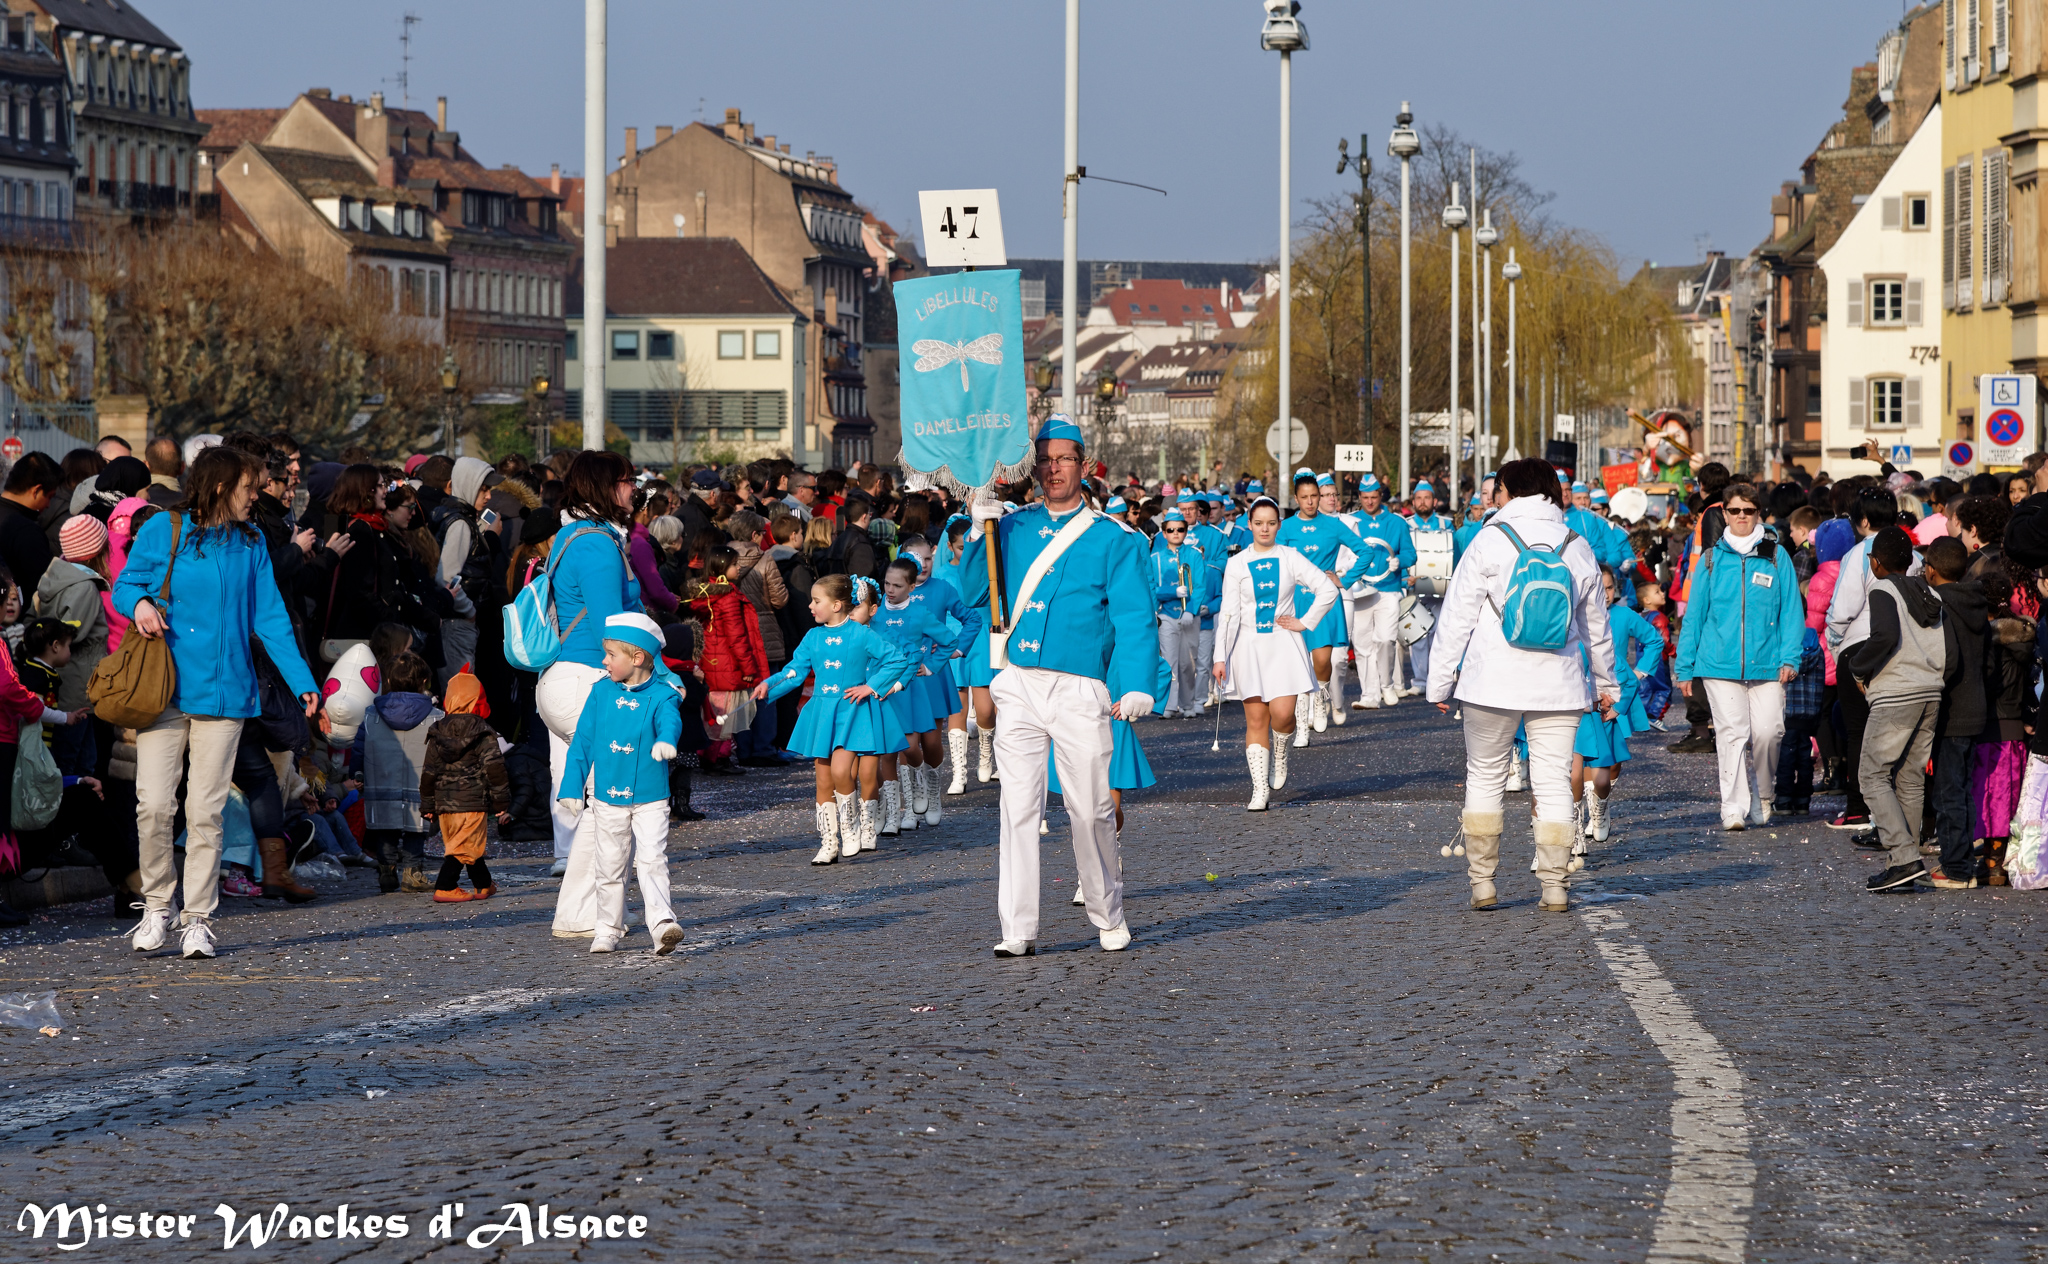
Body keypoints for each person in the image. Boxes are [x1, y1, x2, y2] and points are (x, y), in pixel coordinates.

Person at [959, 414, 1156, 957]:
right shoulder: (1013, 526)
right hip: (1018, 681)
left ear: (1084, 466)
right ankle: (1016, 927)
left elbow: (1136, 616)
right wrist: (980, 531)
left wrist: (1137, 682)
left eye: (1063, 458)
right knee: (1017, 806)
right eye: (1044, 459)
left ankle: (1106, 910)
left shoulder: (1115, 539)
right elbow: (973, 592)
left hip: (1078, 687)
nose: (1052, 469)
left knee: (1089, 807)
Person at [114, 445, 320, 961]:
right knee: (155, 804)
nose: (257, 496)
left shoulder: (250, 542)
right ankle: (158, 904)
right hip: (165, 689)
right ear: (222, 486)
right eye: (251, 487)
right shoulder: (165, 529)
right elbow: (126, 585)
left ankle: (198, 917)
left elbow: (270, 617)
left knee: (206, 810)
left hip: (227, 692)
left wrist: (302, 683)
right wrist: (140, 604)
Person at [1428, 457, 1616, 914]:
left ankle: (1483, 883)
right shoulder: (1576, 544)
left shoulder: (1488, 539)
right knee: (1552, 782)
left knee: (1486, 775)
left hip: (1491, 680)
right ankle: (1554, 885)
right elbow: (1597, 626)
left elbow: (1456, 617)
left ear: (1506, 492)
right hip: (1560, 681)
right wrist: (1608, 683)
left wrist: (1440, 682)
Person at [540, 451, 644, 932]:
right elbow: (615, 631)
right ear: (604, 488)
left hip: (567, 678)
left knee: (591, 799)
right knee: (612, 801)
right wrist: (657, 677)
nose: (633, 488)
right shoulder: (599, 545)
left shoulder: (572, 536)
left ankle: (583, 910)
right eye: (626, 481)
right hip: (587, 680)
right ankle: (583, 912)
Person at [1673, 483, 1805, 831]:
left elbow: (1792, 611)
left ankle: (1764, 793)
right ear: (1725, 514)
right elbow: (1695, 615)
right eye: (1735, 511)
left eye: (1748, 510)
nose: (1742, 517)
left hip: (1768, 662)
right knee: (1732, 733)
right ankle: (1732, 807)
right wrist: (1684, 667)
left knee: (1768, 732)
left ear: (1758, 512)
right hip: (1718, 662)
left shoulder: (1777, 556)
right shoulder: (1711, 560)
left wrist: (1790, 658)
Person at [755, 574, 910, 863]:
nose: (811, 607)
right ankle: (829, 842)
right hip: (822, 713)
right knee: (823, 781)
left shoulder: (861, 634)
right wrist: (769, 684)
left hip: (852, 712)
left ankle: (850, 829)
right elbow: (794, 671)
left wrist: (872, 686)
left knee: (842, 772)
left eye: (817, 601)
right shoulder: (812, 637)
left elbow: (897, 659)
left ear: (837, 605)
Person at [556, 613, 686, 954]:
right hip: (608, 796)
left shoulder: (663, 693)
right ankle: (607, 928)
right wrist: (572, 787)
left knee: (652, 858)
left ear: (637, 658)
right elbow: (582, 742)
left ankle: (661, 924)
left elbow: (670, 719)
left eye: (611, 654)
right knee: (609, 864)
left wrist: (667, 738)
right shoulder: (600, 692)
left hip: (651, 796)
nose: (604, 661)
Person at [1838, 527, 1948, 892]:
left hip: (1896, 693)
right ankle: (1903, 861)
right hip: (1931, 690)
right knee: (1910, 778)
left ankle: (1903, 857)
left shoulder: (1883, 589)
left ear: (1876, 562)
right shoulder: (1929, 590)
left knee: (1871, 775)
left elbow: (1884, 636)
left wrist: (1858, 666)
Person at [1211, 496, 1338, 809]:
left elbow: (1327, 589)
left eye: (1270, 523)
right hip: (1247, 648)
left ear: (1278, 525)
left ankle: (1280, 752)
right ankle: (1259, 790)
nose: (1264, 528)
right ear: (1250, 525)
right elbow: (1228, 612)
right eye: (1258, 523)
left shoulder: (1291, 557)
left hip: (1283, 644)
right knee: (1255, 719)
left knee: (1282, 715)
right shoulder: (1236, 563)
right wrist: (1220, 655)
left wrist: (1304, 622)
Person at [1823, 487, 1919, 830]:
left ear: (1862, 521)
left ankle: (1859, 806)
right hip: (1906, 650)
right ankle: (1899, 805)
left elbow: (1842, 610)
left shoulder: (1859, 554)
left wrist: (1836, 647)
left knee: (1858, 730)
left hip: (1860, 648)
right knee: (1899, 731)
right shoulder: (1914, 554)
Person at [1276, 469, 1378, 735]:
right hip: (1296, 599)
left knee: (1322, 661)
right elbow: (1277, 563)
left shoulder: (1333, 525)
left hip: (1326, 601)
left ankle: (1321, 694)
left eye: (1315, 496)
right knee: (1297, 663)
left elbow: (1365, 551)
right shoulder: (1286, 527)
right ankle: (1300, 729)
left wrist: (1344, 580)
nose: (1310, 501)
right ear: (1296, 498)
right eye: (1305, 497)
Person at [1922, 537, 1988, 889]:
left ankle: (1957, 867)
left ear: (1931, 569)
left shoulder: (1939, 605)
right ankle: (1963, 861)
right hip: (1976, 705)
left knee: (1948, 792)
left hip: (1950, 709)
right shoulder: (1976, 601)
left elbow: (1942, 659)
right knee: (1961, 789)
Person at [420, 670, 510, 903]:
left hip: (445, 804)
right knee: (463, 848)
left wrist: (428, 805)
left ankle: (483, 884)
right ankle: (445, 885)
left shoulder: (437, 731)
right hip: (472, 800)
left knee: (467, 845)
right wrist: (501, 802)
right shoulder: (482, 731)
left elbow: (429, 772)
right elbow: (495, 769)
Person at [1324, 472, 1407, 716]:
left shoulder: (1397, 522)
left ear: (1381, 496)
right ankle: (1369, 695)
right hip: (1360, 591)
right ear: (1359, 497)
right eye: (1365, 497)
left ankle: (1387, 684)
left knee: (1385, 639)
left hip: (1388, 590)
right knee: (1361, 645)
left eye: (1374, 497)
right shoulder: (1352, 521)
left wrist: (1399, 561)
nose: (1369, 501)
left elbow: (1411, 554)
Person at [1150, 509, 1211, 718]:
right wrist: (1171, 592)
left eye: (1180, 529)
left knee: (1187, 663)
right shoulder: (1155, 558)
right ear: (1164, 533)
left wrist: (1190, 610)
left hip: (1189, 616)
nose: (1176, 533)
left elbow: (1200, 586)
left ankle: (1187, 703)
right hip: (1166, 615)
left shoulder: (1193, 555)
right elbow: (1152, 588)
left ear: (1186, 531)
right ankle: (1168, 705)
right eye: (1171, 530)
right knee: (1169, 662)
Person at [0, 452, 59, 598]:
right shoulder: (27, 531)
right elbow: (42, 587)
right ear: (36, 491)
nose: (48, 505)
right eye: (49, 497)